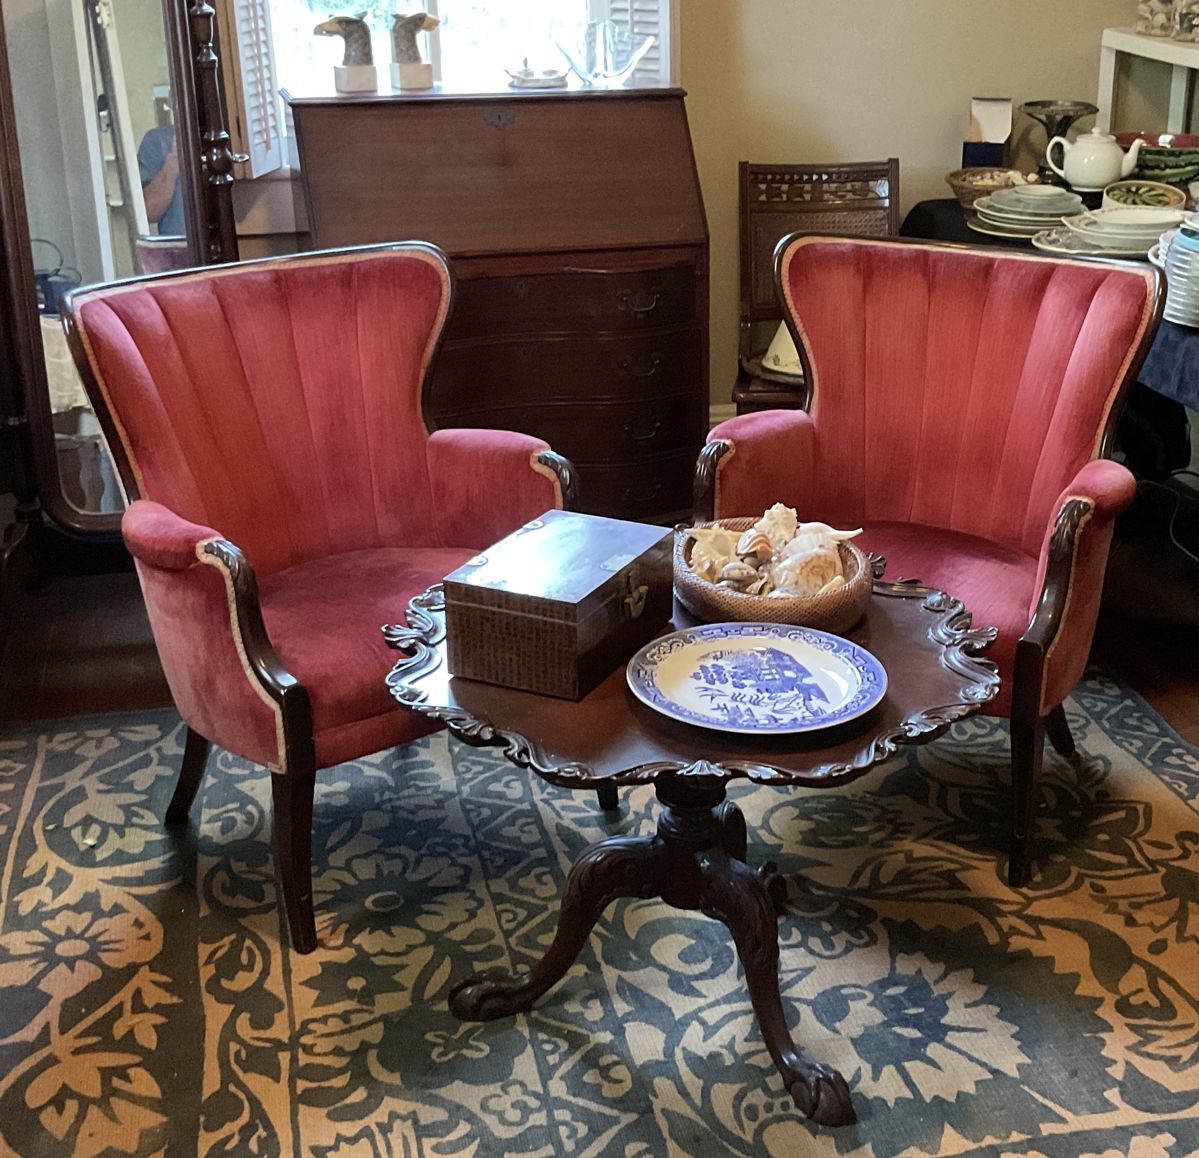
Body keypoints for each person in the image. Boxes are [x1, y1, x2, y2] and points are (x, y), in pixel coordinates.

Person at [138, 123, 182, 236]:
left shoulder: (229, 134)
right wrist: (174, 160)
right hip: (179, 251)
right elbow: (149, 212)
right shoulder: (157, 141)